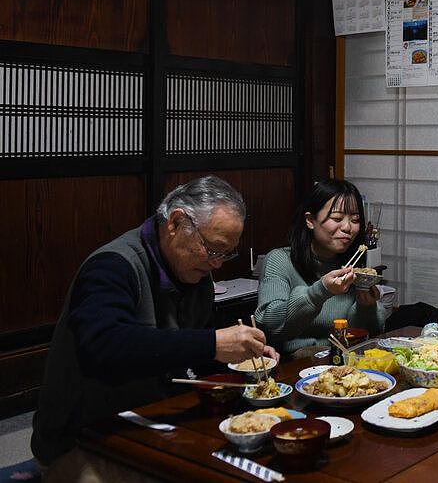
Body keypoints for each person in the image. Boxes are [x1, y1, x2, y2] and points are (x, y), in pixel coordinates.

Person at [31, 176, 275, 472]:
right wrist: (213, 344)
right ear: (176, 223)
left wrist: (239, 357)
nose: (217, 263)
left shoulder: (195, 273)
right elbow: (104, 345)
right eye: (213, 249)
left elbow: (192, 354)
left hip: (156, 420)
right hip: (88, 435)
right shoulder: (112, 266)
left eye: (226, 253)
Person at [255, 179, 386, 356]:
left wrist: (367, 306)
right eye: (337, 218)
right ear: (310, 220)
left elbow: (369, 333)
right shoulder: (280, 260)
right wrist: (320, 291)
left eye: (355, 220)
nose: (348, 227)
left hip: (343, 363)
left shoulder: (353, 265)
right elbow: (269, 325)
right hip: (295, 365)